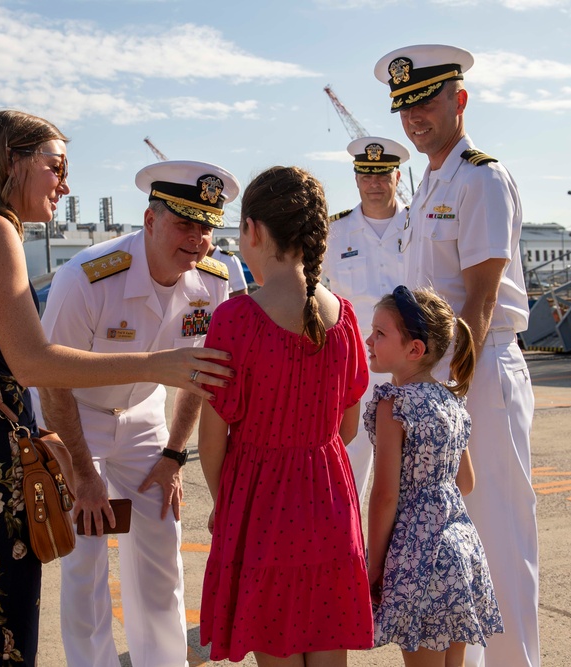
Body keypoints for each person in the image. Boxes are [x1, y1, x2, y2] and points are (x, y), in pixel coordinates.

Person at [0, 112, 234, 667]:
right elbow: (36, 366)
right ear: (11, 161)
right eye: (55, 167)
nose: (64, 184)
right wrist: (160, 363)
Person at [375, 44, 539, 667]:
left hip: (479, 374)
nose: (416, 118)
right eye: (404, 108)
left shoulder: (481, 178)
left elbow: (480, 300)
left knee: (498, 533)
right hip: (434, 382)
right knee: (454, 541)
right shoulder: (428, 188)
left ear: (459, 100)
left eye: (427, 102)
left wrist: (452, 395)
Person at [37, 159, 238, 667]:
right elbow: (52, 379)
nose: (197, 240)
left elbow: (200, 372)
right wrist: (82, 472)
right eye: (184, 224)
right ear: (150, 221)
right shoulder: (86, 278)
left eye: (207, 227)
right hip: (75, 421)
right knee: (84, 564)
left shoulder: (213, 282)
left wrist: (174, 454)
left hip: (146, 417)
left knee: (160, 557)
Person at [199, 166, 373, 666]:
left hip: (262, 508)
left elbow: (211, 441)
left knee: (275, 649)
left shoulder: (236, 320)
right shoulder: (343, 316)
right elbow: (348, 425)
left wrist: (224, 500)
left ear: (253, 231)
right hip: (329, 501)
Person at [364, 285, 503, 666]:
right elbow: (466, 482)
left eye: (380, 333)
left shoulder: (394, 404)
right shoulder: (450, 400)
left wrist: (374, 564)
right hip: (460, 549)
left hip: (418, 557)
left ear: (415, 349)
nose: (368, 340)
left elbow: (386, 496)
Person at [322, 136, 411, 504]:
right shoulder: (333, 232)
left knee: (413, 466)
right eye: (365, 176)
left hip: (411, 364)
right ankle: (349, 550)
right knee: (349, 463)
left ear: (397, 177)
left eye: (382, 175)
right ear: (357, 179)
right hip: (355, 365)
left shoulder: (419, 225)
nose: (374, 184)